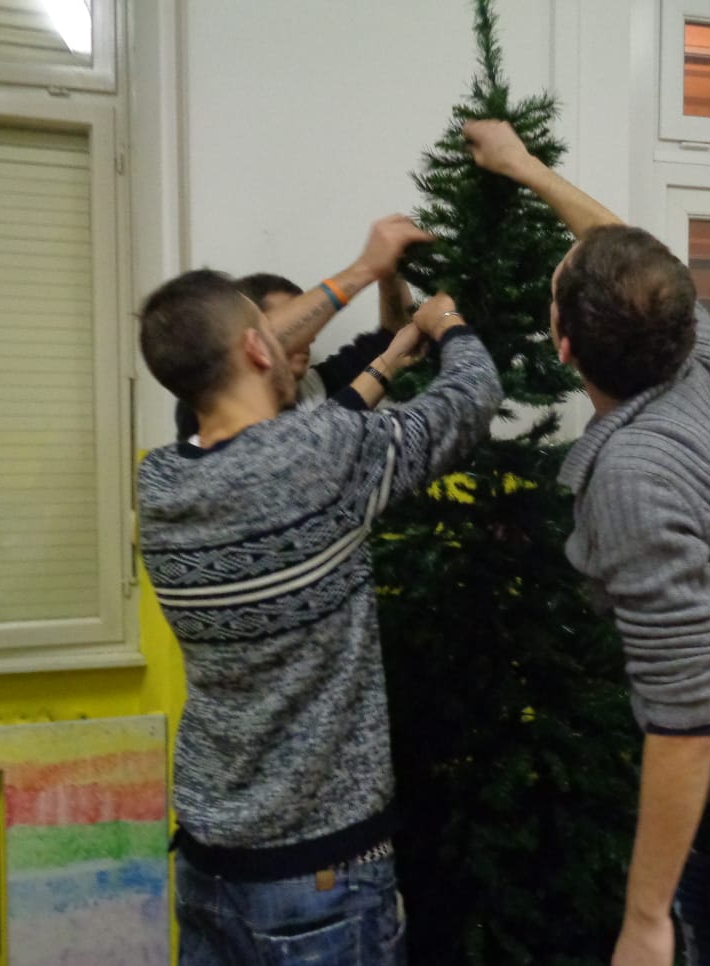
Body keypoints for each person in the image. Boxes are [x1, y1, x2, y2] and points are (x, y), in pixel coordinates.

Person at [465, 120, 710, 966]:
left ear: (564, 344)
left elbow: (687, 716)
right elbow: (632, 256)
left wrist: (645, 918)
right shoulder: (704, 363)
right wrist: (529, 170)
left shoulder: (636, 476)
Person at [136, 213, 503, 965]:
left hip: (210, 860)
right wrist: (447, 323)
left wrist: (378, 306)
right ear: (253, 346)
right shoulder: (319, 455)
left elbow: (277, 410)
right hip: (322, 871)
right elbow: (472, 397)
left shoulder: (161, 483)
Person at [176, 271, 414, 441]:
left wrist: (389, 273)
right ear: (249, 337)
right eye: (300, 325)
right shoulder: (205, 406)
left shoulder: (315, 385)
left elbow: (394, 337)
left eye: (311, 326)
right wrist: (367, 266)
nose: (309, 338)